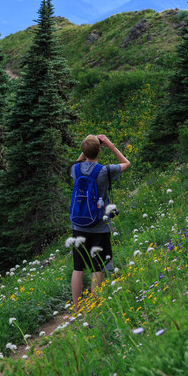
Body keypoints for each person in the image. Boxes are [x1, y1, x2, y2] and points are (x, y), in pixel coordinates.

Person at [69, 134, 130, 312]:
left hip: (78, 225)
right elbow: (126, 163)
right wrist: (110, 145)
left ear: (83, 151)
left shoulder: (76, 170)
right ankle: (95, 306)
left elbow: (73, 164)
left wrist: (85, 148)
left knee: (78, 267)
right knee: (97, 267)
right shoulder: (104, 171)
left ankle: (77, 308)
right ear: (99, 150)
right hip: (99, 224)